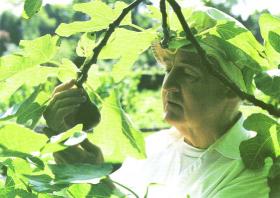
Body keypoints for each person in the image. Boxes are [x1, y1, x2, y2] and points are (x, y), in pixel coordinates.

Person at [43, 12, 272, 198]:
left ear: (231, 89)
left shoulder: (254, 171)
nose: (168, 84)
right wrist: (66, 146)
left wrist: (95, 181)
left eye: (188, 73)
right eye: (168, 69)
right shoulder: (154, 147)